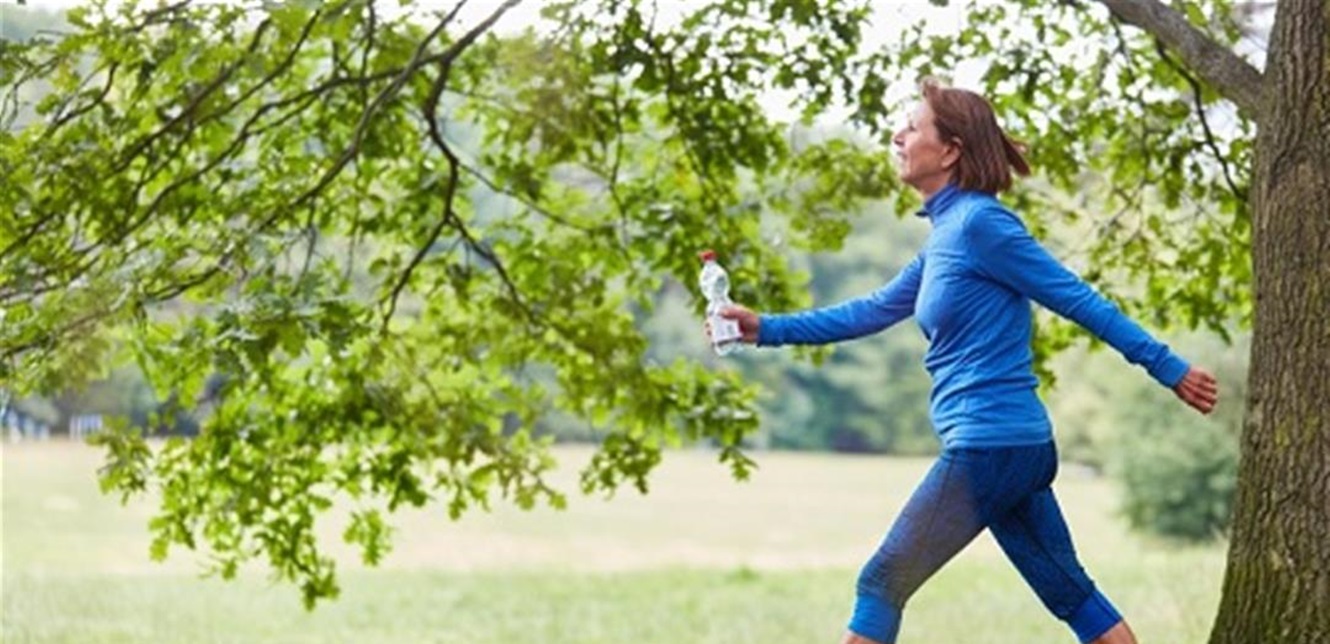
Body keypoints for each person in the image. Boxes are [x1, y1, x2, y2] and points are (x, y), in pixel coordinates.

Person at [711, 78, 1219, 644]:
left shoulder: (982, 224)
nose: (897, 136)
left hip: (990, 446)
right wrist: (765, 329)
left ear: (951, 149)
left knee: (881, 582)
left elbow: (1077, 299)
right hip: (1010, 447)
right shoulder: (945, 236)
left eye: (912, 126)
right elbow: (871, 310)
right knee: (1072, 595)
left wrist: (1168, 368)